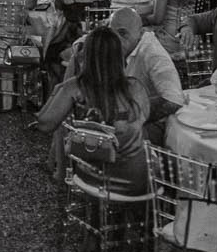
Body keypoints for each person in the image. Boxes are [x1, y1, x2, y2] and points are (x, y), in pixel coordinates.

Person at [37, 28, 155, 183]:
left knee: (66, 126)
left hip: (97, 179)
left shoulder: (75, 87)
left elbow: (44, 124)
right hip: (139, 180)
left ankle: (63, 175)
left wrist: (57, 90)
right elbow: (141, 121)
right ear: (120, 56)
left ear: (86, 55)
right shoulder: (136, 87)